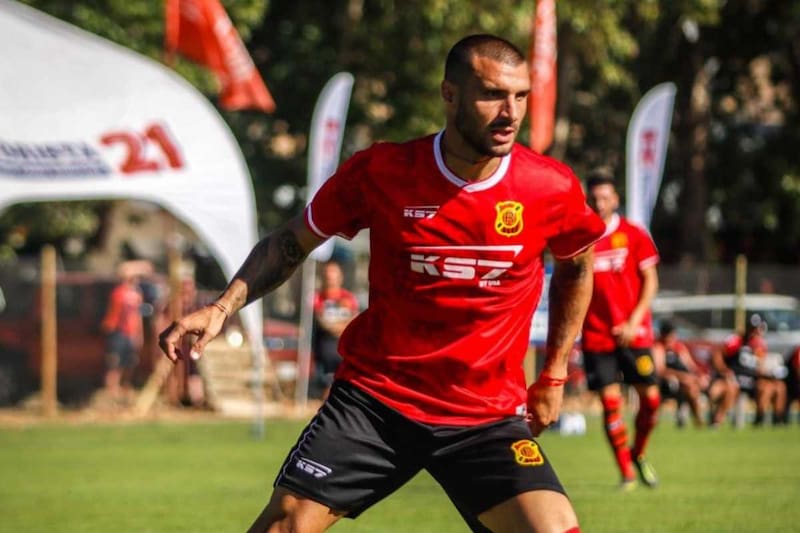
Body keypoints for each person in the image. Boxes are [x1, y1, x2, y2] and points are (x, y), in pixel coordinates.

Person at [160, 34, 605, 533]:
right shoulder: (383, 170)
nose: (511, 112)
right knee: (286, 526)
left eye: (521, 96)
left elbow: (577, 265)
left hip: (486, 416)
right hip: (377, 403)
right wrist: (222, 307)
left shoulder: (549, 186)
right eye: (492, 95)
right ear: (450, 94)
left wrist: (554, 375)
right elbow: (292, 241)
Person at [581, 168, 661, 490]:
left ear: (615, 199)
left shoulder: (633, 234)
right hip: (596, 335)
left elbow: (651, 282)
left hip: (635, 333)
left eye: (605, 197)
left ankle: (638, 452)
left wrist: (633, 321)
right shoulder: (581, 237)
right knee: (610, 403)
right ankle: (626, 472)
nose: (599, 203)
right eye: (594, 198)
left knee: (651, 400)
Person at [723, 314, 788, 426]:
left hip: (754, 379)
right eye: (753, 329)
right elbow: (720, 353)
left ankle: (778, 419)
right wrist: (724, 370)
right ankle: (759, 419)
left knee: (779, 387)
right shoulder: (737, 340)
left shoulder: (760, 344)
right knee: (765, 388)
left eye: (757, 328)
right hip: (740, 379)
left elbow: (760, 366)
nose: (755, 332)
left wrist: (771, 373)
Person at [311, 260, 360, 399]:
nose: (330, 280)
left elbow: (354, 320)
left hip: (346, 347)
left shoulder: (349, 298)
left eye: (333, 277)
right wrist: (342, 326)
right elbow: (323, 322)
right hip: (326, 348)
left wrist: (339, 326)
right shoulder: (317, 298)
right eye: (327, 277)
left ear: (340, 278)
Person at [101, 262, 145, 404]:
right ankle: (112, 391)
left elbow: (137, 316)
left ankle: (125, 388)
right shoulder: (118, 293)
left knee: (130, 362)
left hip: (131, 333)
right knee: (115, 363)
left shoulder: (137, 294)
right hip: (118, 332)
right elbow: (116, 316)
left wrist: (139, 334)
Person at [652, 321, 708, 428]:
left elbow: (691, 366)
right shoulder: (658, 347)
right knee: (689, 386)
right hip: (667, 382)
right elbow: (660, 370)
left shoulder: (679, 347)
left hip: (686, 381)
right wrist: (682, 377)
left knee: (692, 387)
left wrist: (700, 376)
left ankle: (698, 420)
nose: (672, 338)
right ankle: (696, 419)